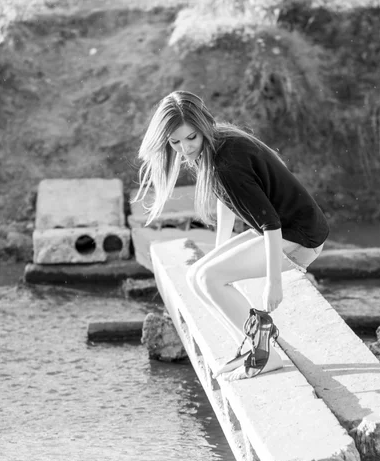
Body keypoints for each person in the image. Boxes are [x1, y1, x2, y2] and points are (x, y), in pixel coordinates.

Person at [134, 90, 329, 381]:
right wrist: (219, 250)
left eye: (190, 138)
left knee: (210, 278)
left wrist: (273, 284)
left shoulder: (227, 161)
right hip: (281, 230)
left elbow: (271, 223)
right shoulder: (214, 145)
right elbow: (225, 199)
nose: (185, 149)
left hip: (298, 237)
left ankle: (266, 356)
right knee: (196, 276)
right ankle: (252, 344)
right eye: (174, 142)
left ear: (203, 126)